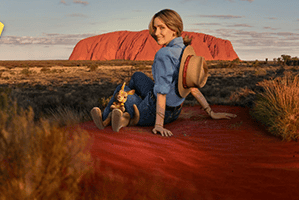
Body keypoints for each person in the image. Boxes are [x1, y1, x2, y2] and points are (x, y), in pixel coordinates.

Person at [91, 9, 236, 136]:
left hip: (153, 112)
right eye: (155, 28)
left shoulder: (163, 54)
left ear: (174, 29)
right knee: (137, 76)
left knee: (120, 90)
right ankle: (125, 115)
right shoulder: (185, 50)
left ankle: (106, 118)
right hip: (175, 112)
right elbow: (192, 86)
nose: (156, 33)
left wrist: (159, 125)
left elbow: (161, 92)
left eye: (162, 28)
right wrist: (210, 112)